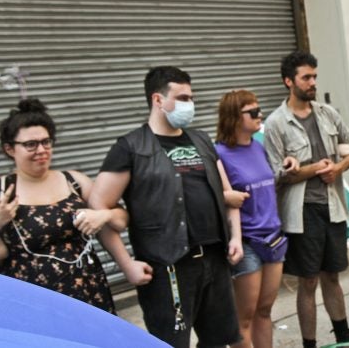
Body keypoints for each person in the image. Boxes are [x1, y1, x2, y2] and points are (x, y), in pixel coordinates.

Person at [89, 66, 243, 347]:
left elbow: (227, 194)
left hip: (214, 259)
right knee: (171, 343)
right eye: (182, 98)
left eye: (191, 98)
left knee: (218, 341)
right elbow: (100, 208)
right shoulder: (131, 147)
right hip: (167, 267)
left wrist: (236, 238)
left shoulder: (201, 140)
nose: (190, 105)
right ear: (158, 100)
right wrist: (126, 265)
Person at [0, 98, 123, 312]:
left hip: (87, 292)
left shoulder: (75, 181)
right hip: (29, 301)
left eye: (46, 142)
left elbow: (121, 219)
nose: (41, 150)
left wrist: (104, 216)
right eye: (30, 145)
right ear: (9, 149)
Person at [262, 52, 349, 348]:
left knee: (333, 275)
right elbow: (277, 175)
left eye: (314, 76)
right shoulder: (276, 123)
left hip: (333, 206)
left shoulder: (327, 113)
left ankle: (343, 332)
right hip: (302, 213)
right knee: (308, 281)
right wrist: (315, 168)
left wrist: (339, 168)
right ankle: (309, 343)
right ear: (288, 81)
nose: (312, 82)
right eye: (306, 77)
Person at [215, 89, 299, 348]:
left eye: (258, 109)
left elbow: (272, 176)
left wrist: (288, 162)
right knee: (245, 317)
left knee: (265, 311)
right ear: (234, 116)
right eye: (252, 111)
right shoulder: (219, 154)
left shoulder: (259, 146)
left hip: (273, 237)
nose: (259, 115)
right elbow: (220, 197)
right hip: (248, 241)